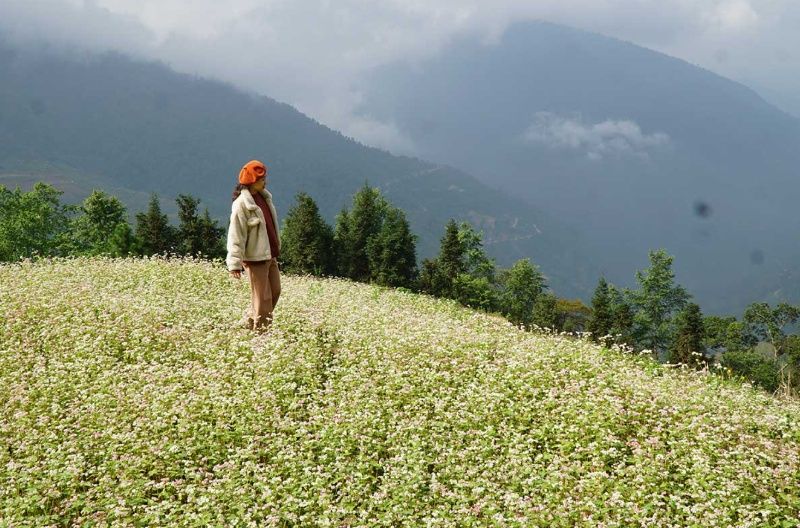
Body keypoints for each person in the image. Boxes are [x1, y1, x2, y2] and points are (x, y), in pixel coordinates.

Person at [226, 159, 281, 331]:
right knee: (263, 299)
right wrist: (234, 263)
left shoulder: (265, 198)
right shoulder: (242, 205)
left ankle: (250, 323)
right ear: (252, 181)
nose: (266, 181)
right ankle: (261, 336)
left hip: (269, 255)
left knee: (275, 291)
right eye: (262, 179)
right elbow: (236, 234)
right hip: (255, 259)